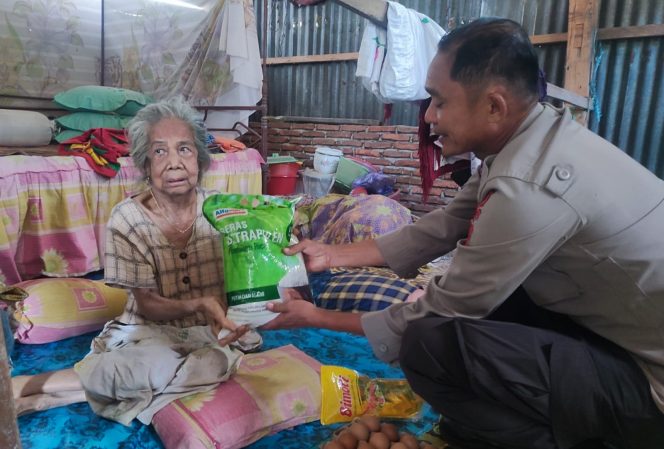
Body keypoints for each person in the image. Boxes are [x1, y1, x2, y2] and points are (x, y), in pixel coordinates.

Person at [261, 18, 664, 449]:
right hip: (620, 336)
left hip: (649, 387)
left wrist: (318, 317)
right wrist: (330, 254)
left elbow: (441, 310)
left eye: (438, 101)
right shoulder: (532, 140)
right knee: (489, 300)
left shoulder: (528, 188)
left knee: (427, 342)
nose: (429, 116)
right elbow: (445, 225)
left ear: (494, 106)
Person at [11, 97, 250, 425]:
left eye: (185, 149)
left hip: (209, 335)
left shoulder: (223, 213)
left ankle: (40, 401)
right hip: (147, 333)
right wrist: (200, 304)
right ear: (145, 163)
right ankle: (26, 384)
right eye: (159, 151)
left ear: (201, 158)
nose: (174, 163)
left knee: (215, 365)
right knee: (155, 362)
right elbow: (149, 306)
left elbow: (243, 281)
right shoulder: (128, 218)